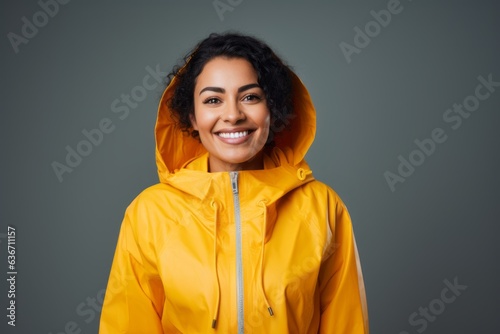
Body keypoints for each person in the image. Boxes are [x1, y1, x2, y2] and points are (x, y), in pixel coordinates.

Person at [99, 32, 369, 333]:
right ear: (192, 116)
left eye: (250, 97)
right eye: (213, 100)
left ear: (273, 108)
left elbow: (346, 325)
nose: (232, 115)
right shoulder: (149, 213)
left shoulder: (321, 207)